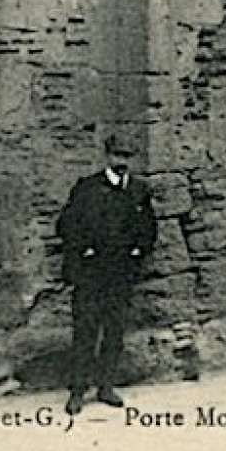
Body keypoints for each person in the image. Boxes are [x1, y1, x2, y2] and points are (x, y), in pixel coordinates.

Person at [56, 135, 157, 416]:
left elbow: (149, 227)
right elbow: (65, 225)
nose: (122, 162)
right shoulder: (86, 188)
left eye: (127, 156)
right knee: (86, 331)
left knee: (114, 331)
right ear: (108, 156)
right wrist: (83, 250)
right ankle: (78, 390)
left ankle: (106, 385)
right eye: (117, 156)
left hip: (121, 275)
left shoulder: (139, 191)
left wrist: (140, 250)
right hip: (91, 275)